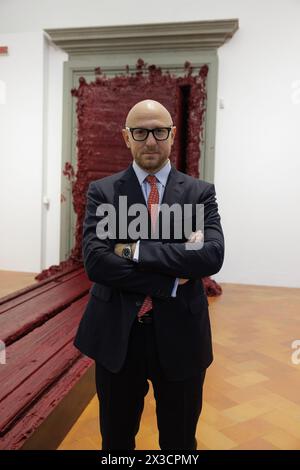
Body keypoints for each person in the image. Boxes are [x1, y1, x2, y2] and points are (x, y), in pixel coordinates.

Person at [74, 99, 224, 450]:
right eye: (140, 132)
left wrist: (132, 249)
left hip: (182, 336)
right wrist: (171, 278)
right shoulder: (104, 192)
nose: (151, 140)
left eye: (159, 131)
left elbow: (210, 255)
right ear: (126, 137)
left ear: (172, 135)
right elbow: (96, 261)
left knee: (180, 441)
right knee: (116, 440)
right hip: (117, 337)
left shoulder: (199, 194)